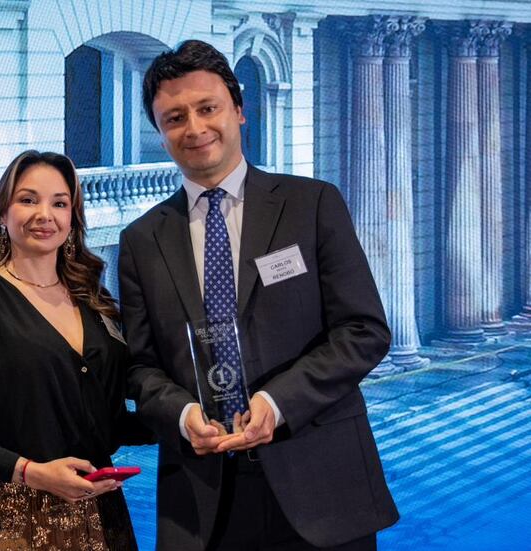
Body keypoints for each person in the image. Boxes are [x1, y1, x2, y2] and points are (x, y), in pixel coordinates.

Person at [119, 40, 399, 550]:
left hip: (320, 480)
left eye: (208, 108)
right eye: (174, 117)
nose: (195, 128)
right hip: (206, 500)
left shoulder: (311, 204)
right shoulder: (141, 240)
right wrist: (183, 415)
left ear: (239, 111)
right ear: (160, 133)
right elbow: (140, 367)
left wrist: (277, 400)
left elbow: (364, 331)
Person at [0, 150, 149, 551]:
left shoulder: (94, 301)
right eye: (28, 199)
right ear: (2, 214)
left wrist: (184, 417)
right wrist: (32, 472)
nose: (44, 214)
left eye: (59, 203)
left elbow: (110, 421)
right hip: (16, 518)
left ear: (72, 219)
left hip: (104, 512)